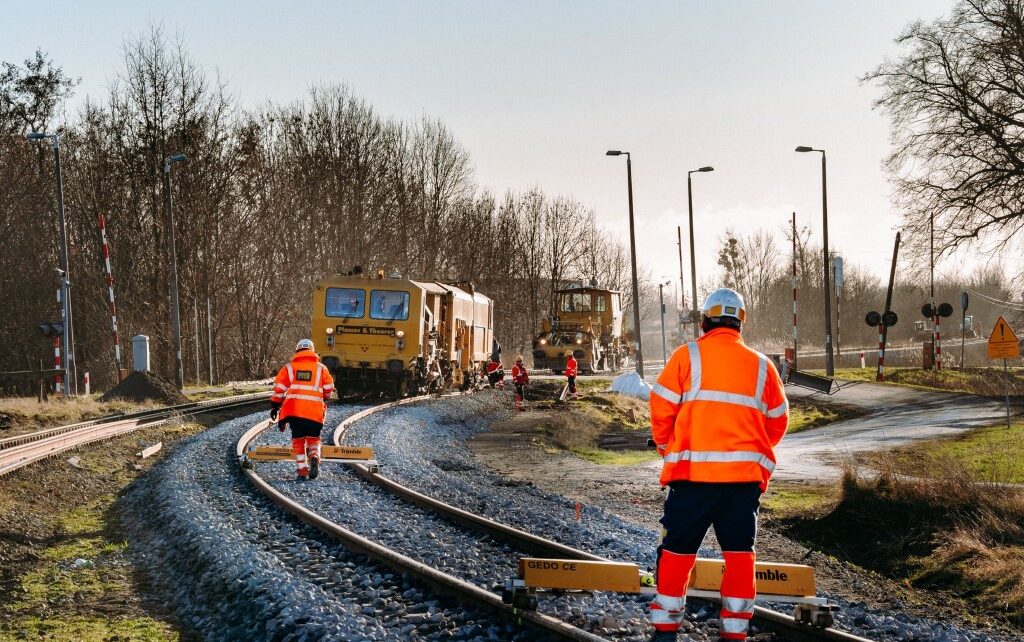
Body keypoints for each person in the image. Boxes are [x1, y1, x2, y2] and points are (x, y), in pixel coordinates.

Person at [647, 288, 789, 642]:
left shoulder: (686, 357)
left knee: (678, 551)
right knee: (741, 556)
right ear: (741, 323)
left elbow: (661, 408)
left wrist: (669, 448)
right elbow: (778, 420)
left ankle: (666, 627)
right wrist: (751, 451)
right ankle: (735, 632)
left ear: (704, 322)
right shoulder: (762, 366)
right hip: (742, 485)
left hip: (692, 480)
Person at [270, 339, 336, 481]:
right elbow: (329, 388)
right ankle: (314, 456)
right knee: (314, 440)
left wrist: (275, 406)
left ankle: (302, 471)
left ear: (297, 351)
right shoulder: (321, 368)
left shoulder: (289, 368)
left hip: (295, 413)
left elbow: (279, 389)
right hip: (314, 413)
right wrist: (324, 396)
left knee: (298, 441)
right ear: (312, 351)